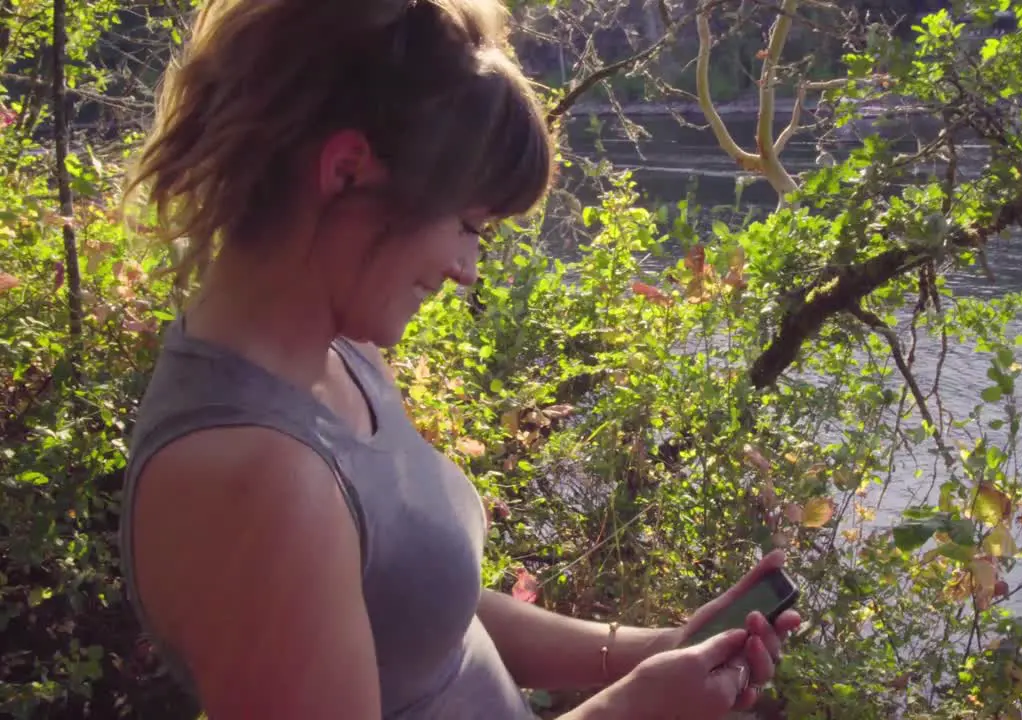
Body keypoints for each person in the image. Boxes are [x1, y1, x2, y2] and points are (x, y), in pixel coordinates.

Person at [118, 0, 803, 718]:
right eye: (467, 225)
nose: (466, 269)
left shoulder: (339, 352)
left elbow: (423, 615)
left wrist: (646, 651)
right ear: (347, 171)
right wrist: (632, 710)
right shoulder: (255, 486)